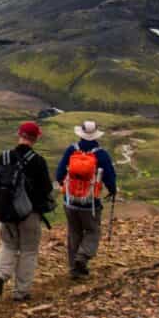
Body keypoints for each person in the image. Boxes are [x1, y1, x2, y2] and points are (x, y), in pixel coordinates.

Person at [0, 121, 55, 302]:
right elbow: (46, 188)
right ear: (35, 138)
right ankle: (21, 292)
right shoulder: (38, 161)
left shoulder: (4, 157)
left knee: (8, 245)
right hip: (29, 214)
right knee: (28, 251)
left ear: (19, 135)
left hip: (7, 213)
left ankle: (0, 276)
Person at [56, 120, 117, 279]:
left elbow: (59, 173)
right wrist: (112, 190)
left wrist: (67, 187)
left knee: (74, 233)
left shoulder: (72, 150)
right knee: (92, 231)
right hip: (90, 203)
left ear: (81, 134)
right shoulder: (101, 154)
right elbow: (110, 176)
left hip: (70, 201)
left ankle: (74, 269)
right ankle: (82, 258)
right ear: (96, 134)